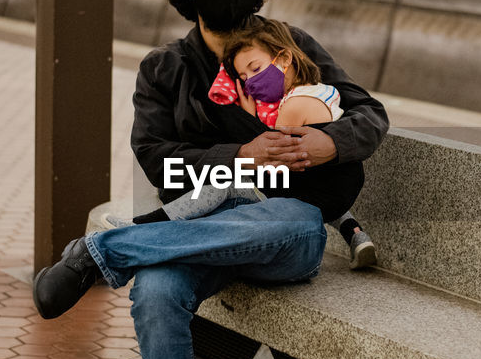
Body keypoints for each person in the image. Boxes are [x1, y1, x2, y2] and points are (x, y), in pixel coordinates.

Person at [32, 0, 389, 359]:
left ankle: (101, 252)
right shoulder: (165, 70)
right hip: (204, 226)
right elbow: (159, 162)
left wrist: (330, 142)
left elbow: (369, 115)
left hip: (288, 231)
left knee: (288, 219)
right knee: (155, 290)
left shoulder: (288, 46)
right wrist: (240, 155)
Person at [130, 16, 377, 269]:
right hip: (331, 183)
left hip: (305, 187)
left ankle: (149, 225)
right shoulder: (320, 90)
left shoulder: (294, 105)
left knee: (221, 183)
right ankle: (356, 233)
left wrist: (248, 124)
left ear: (284, 58)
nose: (250, 82)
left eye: (255, 69)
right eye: (244, 77)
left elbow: (273, 152)